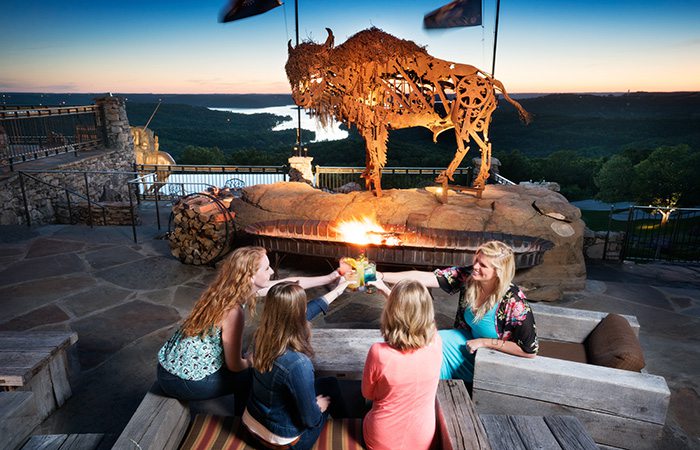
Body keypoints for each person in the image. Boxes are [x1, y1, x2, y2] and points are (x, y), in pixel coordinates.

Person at [156, 246, 345, 412]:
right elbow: (235, 365)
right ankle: (244, 419)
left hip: (167, 367)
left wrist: (330, 277)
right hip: (181, 382)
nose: (272, 271)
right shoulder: (233, 311)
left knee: (249, 355)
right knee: (252, 373)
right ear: (251, 276)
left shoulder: (226, 289)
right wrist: (253, 361)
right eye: (266, 268)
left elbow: (290, 284)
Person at [373, 240, 538, 383]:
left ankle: (423, 392)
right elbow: (425, 277)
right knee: (427, 345)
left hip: (491, 357)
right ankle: (418, 391)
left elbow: (529, 351)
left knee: (429, 354)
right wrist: (380, 275)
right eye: (476, 260)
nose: (475, 267)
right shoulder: (469, 277)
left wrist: (484, 343)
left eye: (483, 265)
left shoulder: (515, 302)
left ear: (498, 272)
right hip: (466, 342)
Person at [243, 282, 346, 450]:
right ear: (298, 314)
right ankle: (346, 431)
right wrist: (319, 406)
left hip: (253, 422)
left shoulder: (261, 335)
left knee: (330, 383)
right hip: (282, 442)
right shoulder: (298, 363)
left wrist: (339, 289)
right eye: (303, 306)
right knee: (327, 399)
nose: (306, 309)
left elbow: (311, 310)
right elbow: (310, 420)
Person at [362, 280, 443, 450]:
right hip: (423, 439)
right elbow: (419, 314)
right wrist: (386, 290)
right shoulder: (436, 341)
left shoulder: (378, 352)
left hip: (383, 440)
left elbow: (367, 393)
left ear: (390, 310)